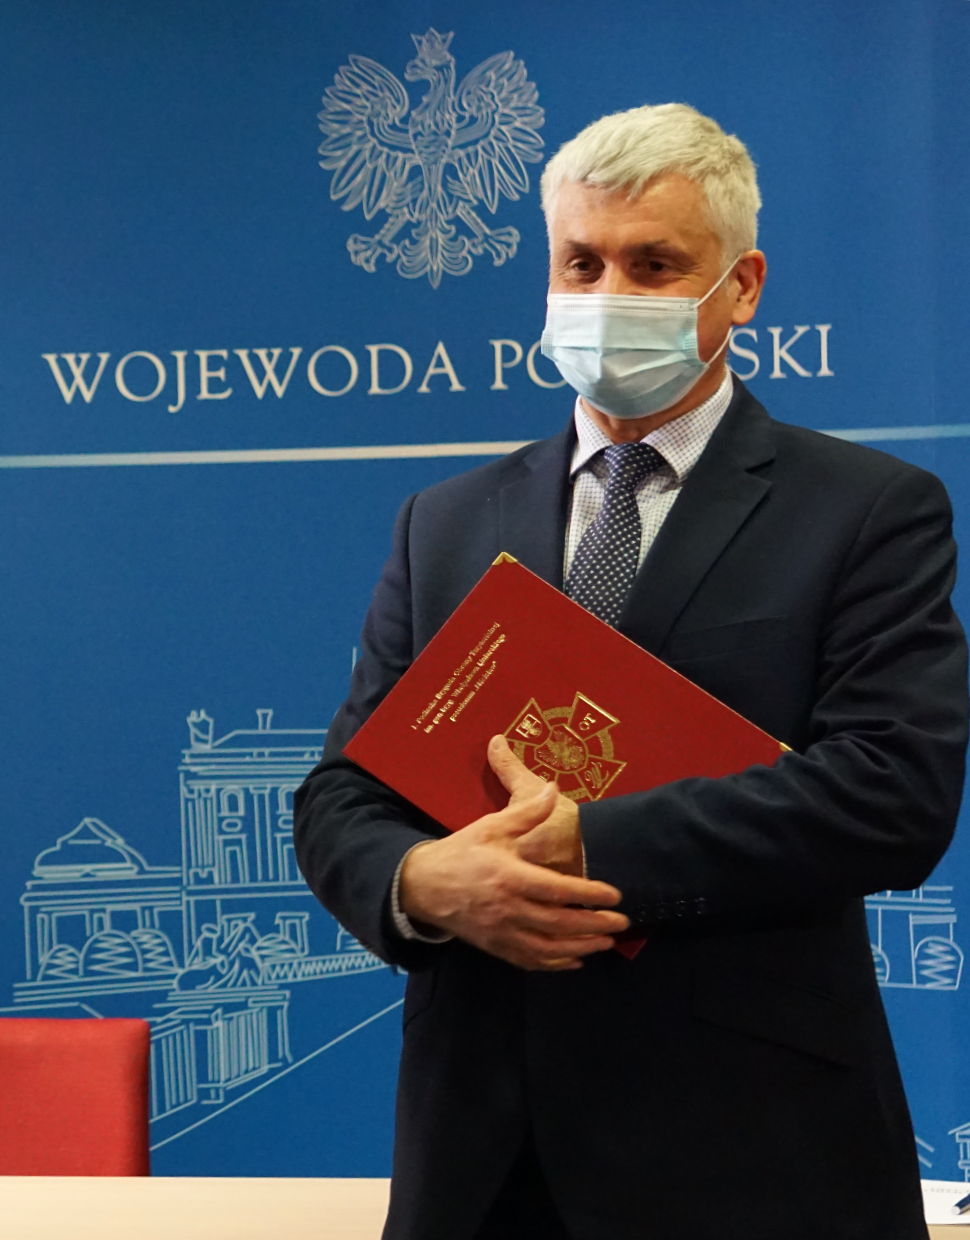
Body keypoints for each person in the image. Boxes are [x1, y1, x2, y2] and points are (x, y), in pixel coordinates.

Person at [295, 103, 967, 1239]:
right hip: (481, 1160)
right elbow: (343, 794)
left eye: (654, 265)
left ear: (741, 287)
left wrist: (585, 848)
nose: (609, 293)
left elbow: (891, 792)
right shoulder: (445, 522)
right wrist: (422, 882)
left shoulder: (865, 511)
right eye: (581, 262)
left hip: (753, 1157)